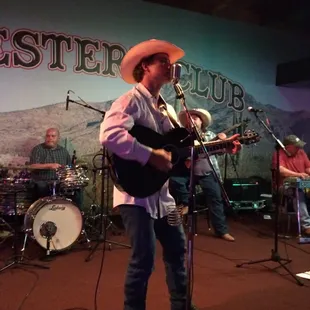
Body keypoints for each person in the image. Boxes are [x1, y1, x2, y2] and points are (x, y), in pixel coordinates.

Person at [100, 39, 198, 310]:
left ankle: (182, 306)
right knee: (143, 259)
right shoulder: (130, 100)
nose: (170, 67)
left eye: (171, 63)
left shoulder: (165, 108)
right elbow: (109, 135)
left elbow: (176, 150)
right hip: (136, 197)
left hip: (163, 197)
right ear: (145, 66)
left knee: (178, 251)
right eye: (163, 62)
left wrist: (221, 147)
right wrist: (148, 155)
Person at [169, 108, 240, 242]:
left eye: (195, 118)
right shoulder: (180, 137)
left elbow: (222, 150)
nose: (192, 120)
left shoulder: (210, 135)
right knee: (174, 180)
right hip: (186, 172)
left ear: (202, 122)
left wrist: (225, 143)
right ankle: (186, 203)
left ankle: (221, 231)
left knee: (215, 198)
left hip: (205, 171)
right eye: (190, 118)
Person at [29, 128, 82, 209]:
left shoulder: (63, 151)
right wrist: (49, 165)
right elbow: (32, 167)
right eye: (48, 136)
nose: (50, 138)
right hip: (42, 181)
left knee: (77, 191)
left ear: (58, 138)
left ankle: (75, 216)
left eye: (53, 136)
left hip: (60, 183)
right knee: (41, 187)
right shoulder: (38, 149)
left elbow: (69, 168)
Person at [272, 134, 310, 235]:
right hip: (285, 186)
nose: (299, 148)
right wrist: (298, 174)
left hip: (304, 182)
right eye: (296, 146)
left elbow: (307, 168)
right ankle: (307, 226)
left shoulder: (301, 152)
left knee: (303, 187)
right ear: (288, 147)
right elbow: (281, 170)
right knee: (298, 190)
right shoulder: (279, 154)